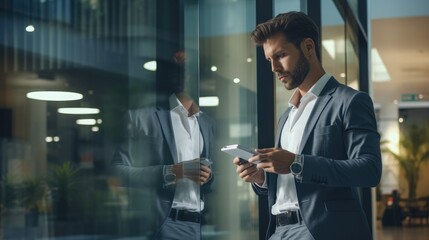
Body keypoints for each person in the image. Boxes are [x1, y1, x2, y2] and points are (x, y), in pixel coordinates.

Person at [233, 11, 382, 240]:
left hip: (323, 231)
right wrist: (261, 178)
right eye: (269, 60)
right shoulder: (287, 116)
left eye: (280, 55)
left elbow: (369, 170)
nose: (274, 68)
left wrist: (297, 163)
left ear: (308, 47)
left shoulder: (350, 101)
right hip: (278, 231)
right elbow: (288, 183)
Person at [112, 50, 215, 239]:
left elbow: (208, 184)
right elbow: (118, 172)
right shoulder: (141, 117)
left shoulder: (206, 122)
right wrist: (172, 171)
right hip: (162, 224)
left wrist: (208, 178)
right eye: (185, 69)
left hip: (199, 226)